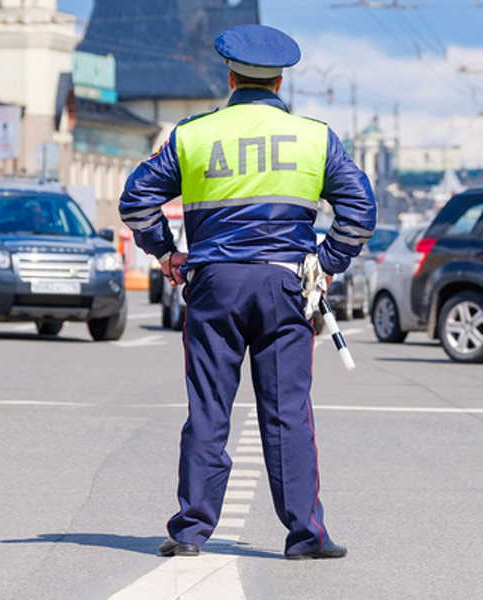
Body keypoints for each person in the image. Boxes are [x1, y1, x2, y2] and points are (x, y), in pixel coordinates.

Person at [118, 24, 377, 560]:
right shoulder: (315, 137)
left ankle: (190, 531)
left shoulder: (192, 136)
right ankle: (306, 536)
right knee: (287, 411)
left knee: (209, 407)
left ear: (230, 76)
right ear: (281, 82)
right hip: (285, 285)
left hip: (214, 285)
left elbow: (136, 200)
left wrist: (166, 253)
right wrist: (326, 264)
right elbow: (360, 211)